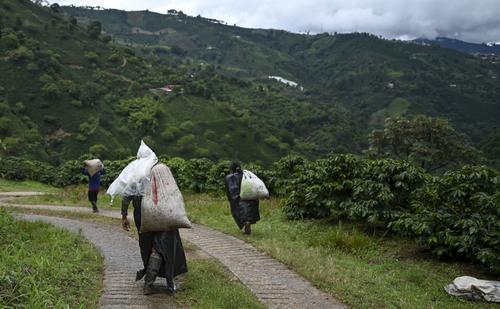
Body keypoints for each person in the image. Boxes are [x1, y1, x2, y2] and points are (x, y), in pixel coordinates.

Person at [121, 187, 188, 295]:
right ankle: (154, 282)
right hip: (161, 212)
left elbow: (126, 196)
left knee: (147, 246)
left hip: (142, 215)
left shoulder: (136, 175)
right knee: (162, 246)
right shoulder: (160, 171)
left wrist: (124, 215)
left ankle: (149, 283)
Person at [224, 162, 260, 234]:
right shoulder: (246, 175)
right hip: (249, 196)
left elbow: (228, 190)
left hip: (236, 198)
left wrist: (230, 199)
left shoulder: (228, 177)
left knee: (237, 213)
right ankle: (247, 222)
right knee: (248, 212)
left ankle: (245, 223)